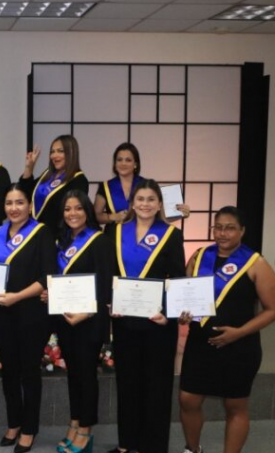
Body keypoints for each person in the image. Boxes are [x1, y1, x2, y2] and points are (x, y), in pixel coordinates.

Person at [178, 206, 275, 453]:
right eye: (218, 227)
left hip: (239, 346)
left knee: (235, 405)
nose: (222, 233)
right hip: (200, 344)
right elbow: (184, 295)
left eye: (230, 228)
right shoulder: (200, 256)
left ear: (242, 230)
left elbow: (272, 309)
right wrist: (181, 312)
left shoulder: (256, 263)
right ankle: (192, 449)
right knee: (188, 399)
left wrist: (239, 333)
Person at [108, 178, 185, 453]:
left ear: (159, 204)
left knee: (157, 387)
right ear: (132, 203)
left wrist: (169, 315)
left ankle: (153, 446)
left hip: (158, 323)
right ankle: (127, 443)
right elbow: (108, 274)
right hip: (125, 320)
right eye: (140, 199)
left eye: (151, 199)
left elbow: (177, 278)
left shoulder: (171, 234)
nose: (145, 204)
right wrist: (110, 302)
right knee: (127, 384)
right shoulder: (116, 232)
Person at [0, 184, 56, 453]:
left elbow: (47, 276)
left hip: (31, 314)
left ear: (29, 206)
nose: (13, 208)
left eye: (19, 202)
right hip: (2, 312)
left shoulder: (41, 232)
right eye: (9, 203)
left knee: (28, 372)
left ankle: (29, 428)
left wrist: (17, 296)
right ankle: (14, 422)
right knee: (9, 371)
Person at [51, 190, 115, 453]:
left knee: (87, 376)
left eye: (78, 208)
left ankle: (86, 431)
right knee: (74, 374)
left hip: (88, 321)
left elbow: (105, 285)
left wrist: (86, 313)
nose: (72, 214)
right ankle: (75, 422)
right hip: (66, 320)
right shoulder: (62, 242)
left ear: (87, 211)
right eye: (67, 209)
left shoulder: (99, 241)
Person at [94, 143, 189, 234]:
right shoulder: (106, 186)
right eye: (119, 160)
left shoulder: (146, 185)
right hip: (114, 238)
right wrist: (112, 217)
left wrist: (180, 212)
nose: (123, 163)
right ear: (114, 164)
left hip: (143, 236)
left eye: (128, 160)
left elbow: (159, 215)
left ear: (135, 164)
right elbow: (96, 216)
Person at [20, 135, 89, 237]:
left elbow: (71, 213)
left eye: (60, 151)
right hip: (34, 233)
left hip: (57, 237)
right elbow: (23, 193)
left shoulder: (79, 180)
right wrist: (29, 167)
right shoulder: (48, 174)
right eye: (52, 152)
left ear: (71, 153)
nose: (54, 155)